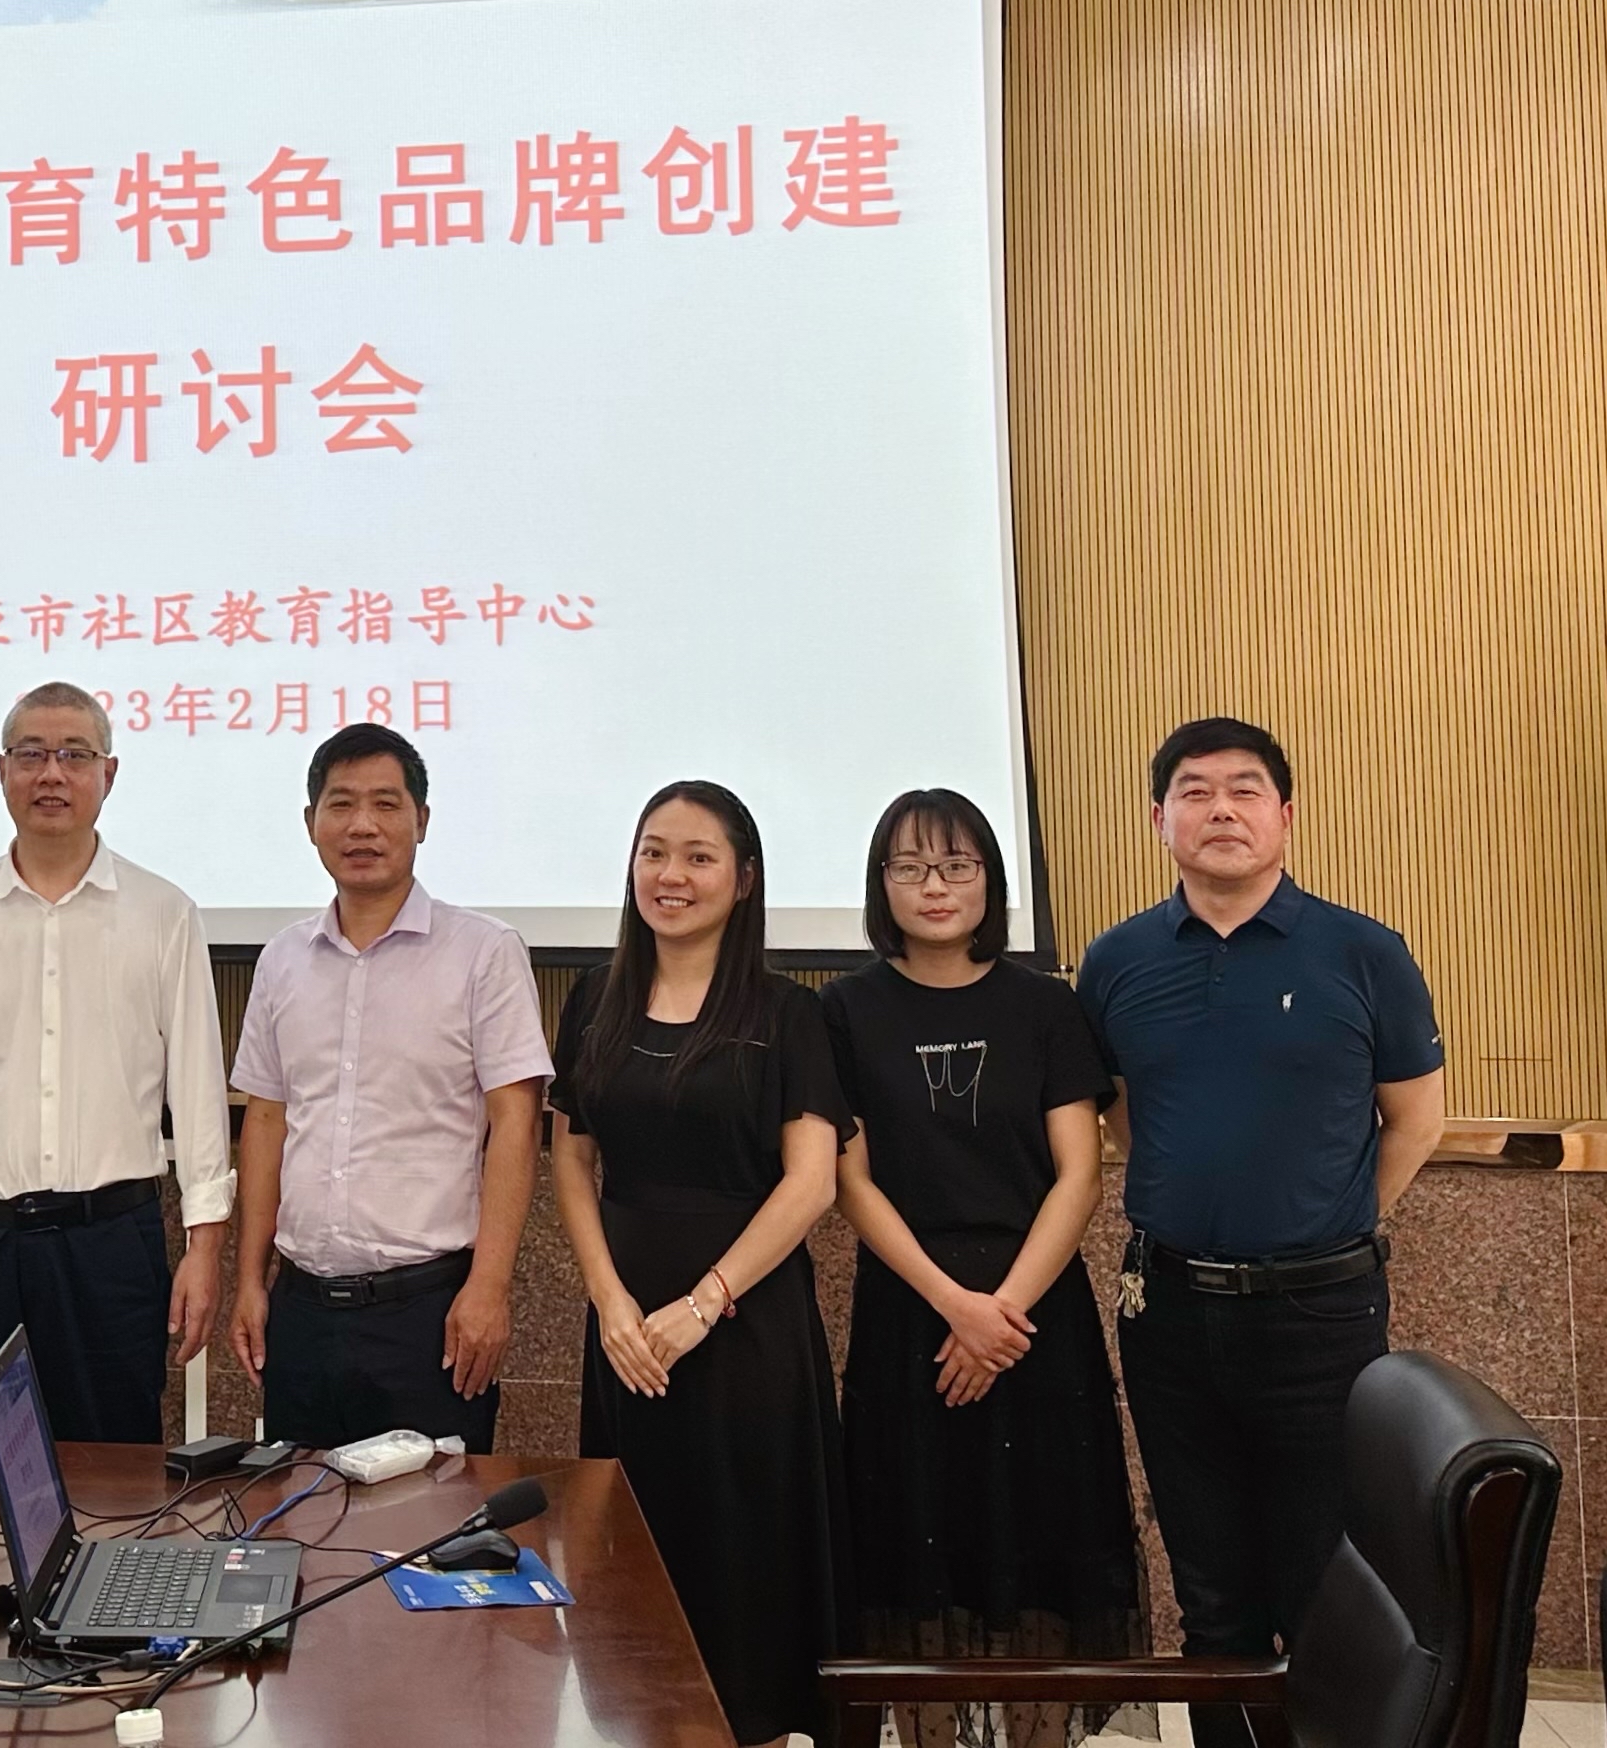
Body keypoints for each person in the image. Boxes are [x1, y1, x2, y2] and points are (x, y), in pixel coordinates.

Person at [1077, 719, 1443, 1748]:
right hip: (1168, 1310)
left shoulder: (1364, 951)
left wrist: (1331, 1218)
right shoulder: (1115, 961)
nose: (1221, 810)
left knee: (1326, 1585)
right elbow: (1124, 1115)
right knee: (1210, 1594)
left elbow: (1415, 1119)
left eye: (1245, 790)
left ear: (1284, 814)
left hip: (1322, 1314)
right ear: (1159, 820)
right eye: (1194, 792)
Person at [824, 790, 1143, 1748]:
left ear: (990, 882)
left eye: (957, 865)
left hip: (1034, 1321)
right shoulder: (842, 1009)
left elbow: (1080, 1174)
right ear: (881, 884)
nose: (935, 885)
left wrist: (999, 1312)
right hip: (908, 1317)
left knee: (1040, 1558)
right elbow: (849, 1180)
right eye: (910, 866)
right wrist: (953, 1306)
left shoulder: (1043, 1003)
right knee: (915, 1562)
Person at [548, 779, 849, 1748]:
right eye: (653, 852)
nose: (670, 875)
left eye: (698, 856)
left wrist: (703, 1303)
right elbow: (572, 1157)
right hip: (627, 1332)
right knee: (636, 1571)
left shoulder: (788, 1013)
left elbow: (811, 1182)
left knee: (747, 1577)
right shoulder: (594, 998)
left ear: (743, 878)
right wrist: (609, 1301)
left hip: (744, 1330)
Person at [0, 682, 233, 1444]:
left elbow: (199, 1091)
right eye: (31, 755)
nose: (52, 774)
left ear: (109, 773)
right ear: (2, 770)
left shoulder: (163, 913)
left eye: (75, 755)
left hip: (111, 1243)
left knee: (115, 1466)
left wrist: (205, 1249)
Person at [227, 724, 547, 1451]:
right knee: (300, 1510)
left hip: (428, 1315)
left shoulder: (483, 953)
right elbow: (267, 1122)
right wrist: (250, 1281)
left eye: (385, 804)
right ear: (311, 822)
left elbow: (517, 1124)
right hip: (302, 1311)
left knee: (435, 1517)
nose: (362, 825)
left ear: (421, 820)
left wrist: (489, 1288)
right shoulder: (282, 960)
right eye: (340, 804)